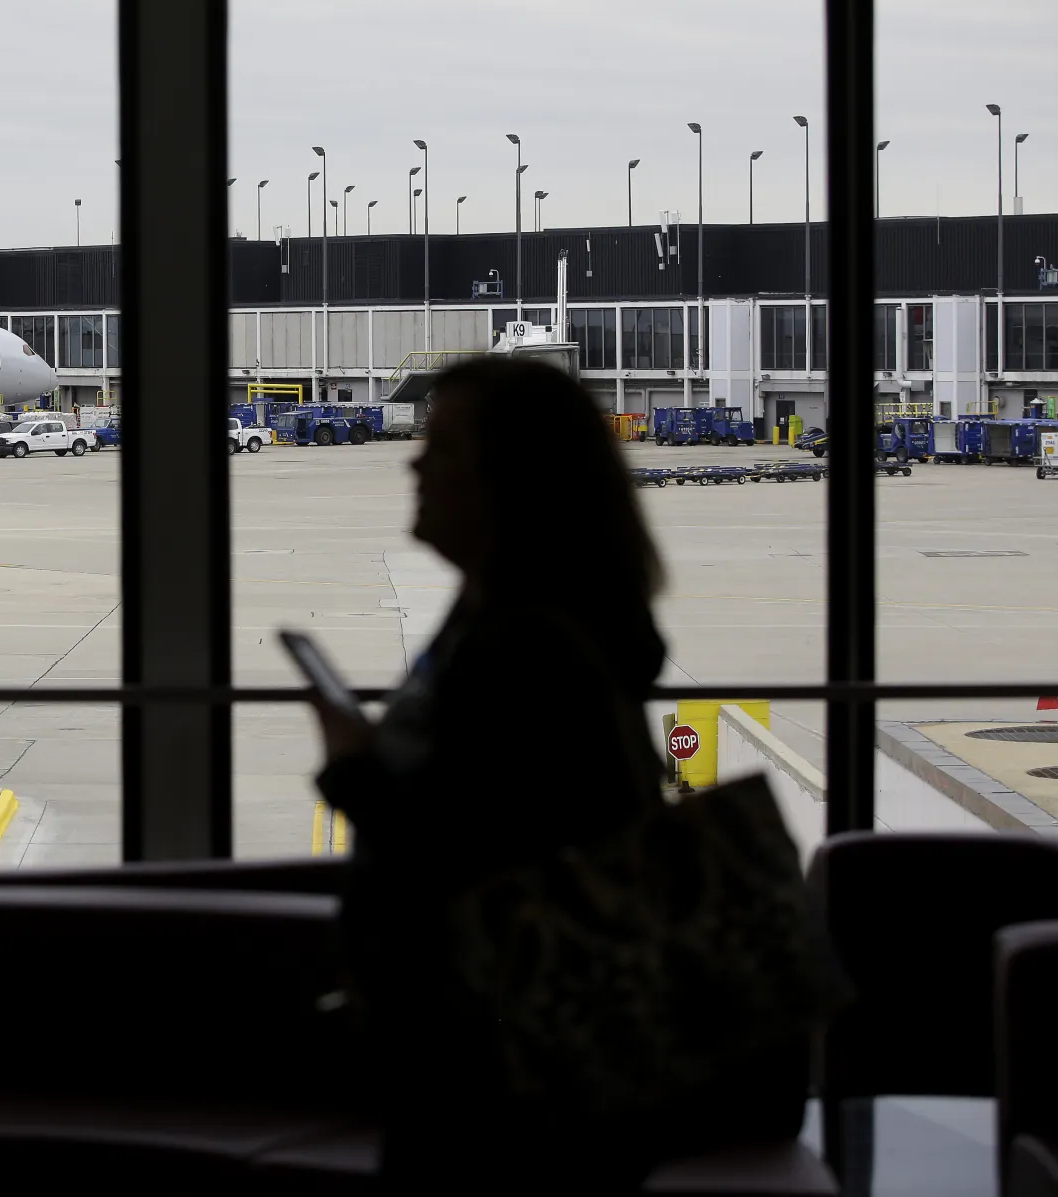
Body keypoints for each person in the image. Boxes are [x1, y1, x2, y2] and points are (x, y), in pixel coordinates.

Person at [310, 358, 802, 1189]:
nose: (414, 461)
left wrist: (356, 773)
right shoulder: (513, 614)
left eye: (446, 446)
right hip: (517, 1057)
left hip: (506, 1073)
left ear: (517, 477)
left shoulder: (530, 649)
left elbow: (483, 858)